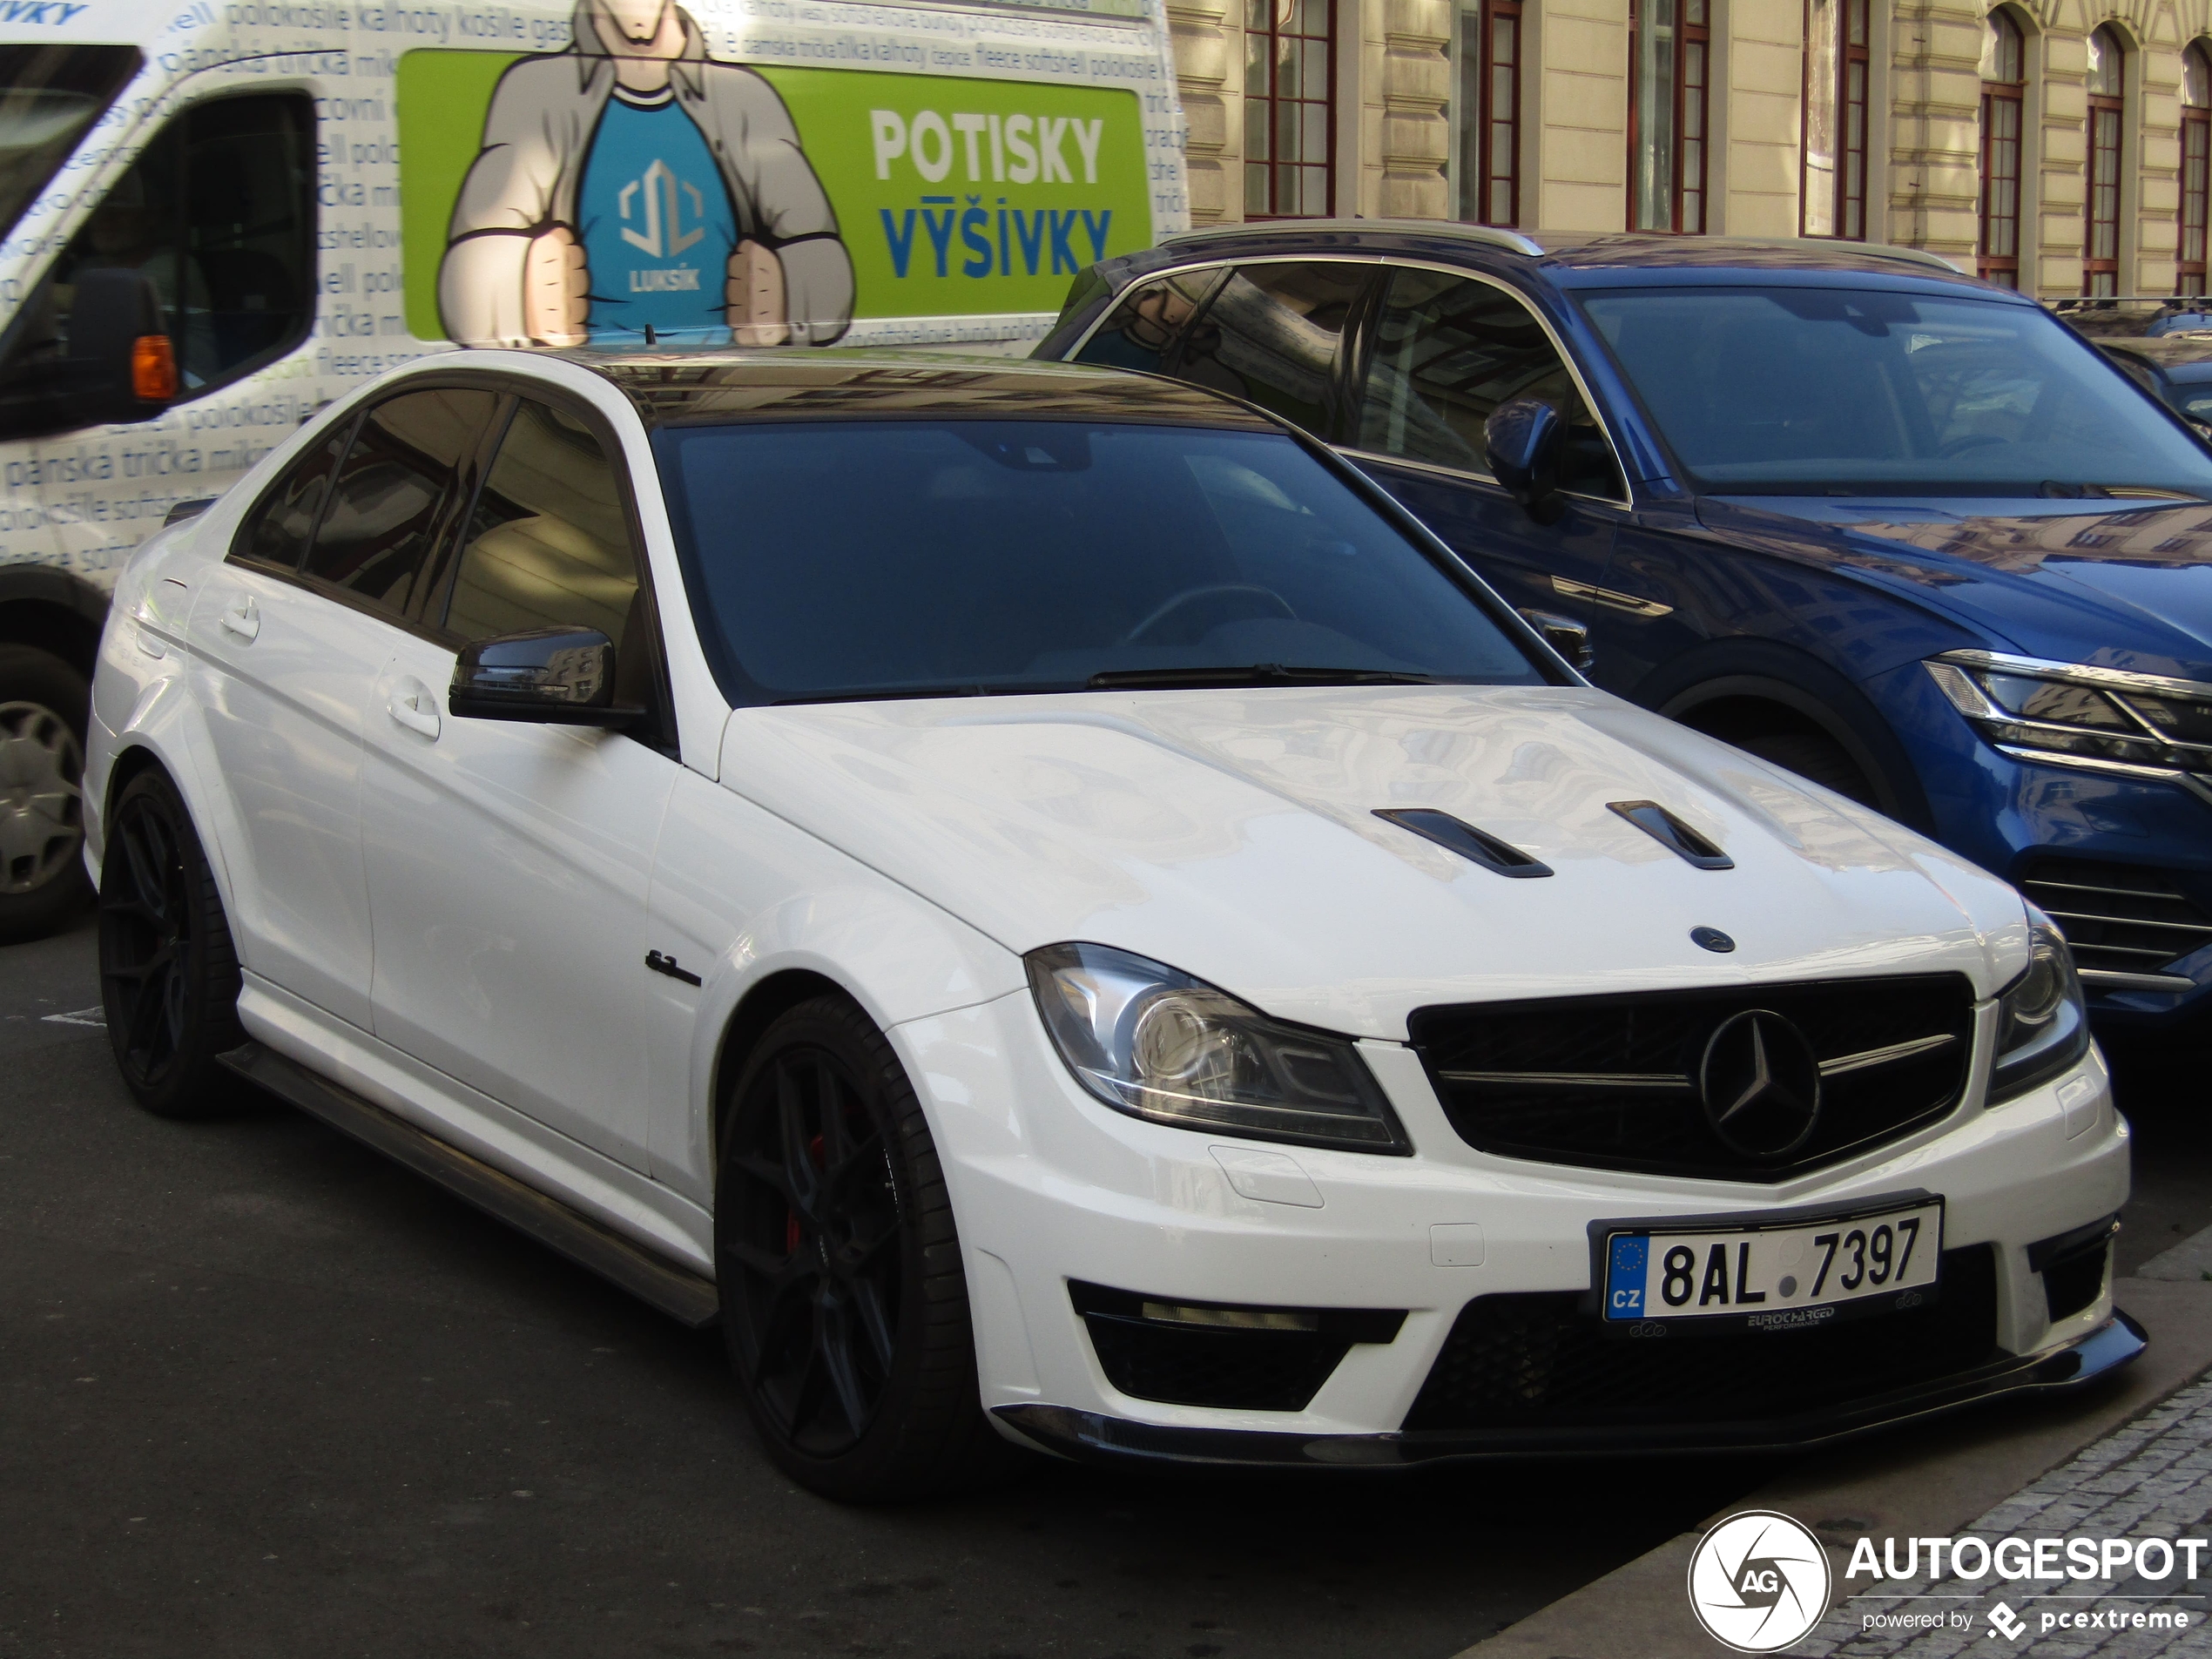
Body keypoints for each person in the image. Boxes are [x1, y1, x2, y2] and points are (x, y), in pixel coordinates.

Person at [437, 0, 854, 348]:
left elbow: (819, 247)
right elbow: (475, 249)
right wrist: (519, 289)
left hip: (723, 380)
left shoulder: (745, 99)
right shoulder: (537, 92)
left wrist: (786, 290)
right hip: (590, 384)